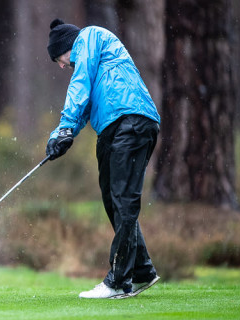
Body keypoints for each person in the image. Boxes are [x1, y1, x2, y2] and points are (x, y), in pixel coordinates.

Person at [45, 18, 161, 299]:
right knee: (113, 200)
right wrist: (59, 137)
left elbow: (80, 82)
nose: (62, 65)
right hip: (112, 127)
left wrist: (63, 127)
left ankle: (119, 280)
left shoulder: (90, 37)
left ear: (66, 46)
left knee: (123, 199)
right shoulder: (89, 56)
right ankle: (143, 269)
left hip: (131, 120)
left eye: (58, 58)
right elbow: (83, 106)